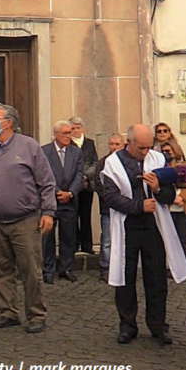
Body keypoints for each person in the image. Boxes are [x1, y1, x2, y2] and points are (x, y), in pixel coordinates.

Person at [0, 103, 55, 334]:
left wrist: (48, 212)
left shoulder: (29, 146)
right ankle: (8, 312)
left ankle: (36, 314)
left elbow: (46, 182)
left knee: (30, 270)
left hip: (24, 220)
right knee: (0, 270)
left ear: (8, 122)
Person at [100, 124, 186, 345]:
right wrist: (138, 206)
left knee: (156, 276)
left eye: (148, 147)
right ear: (129, 143)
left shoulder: (157, 159)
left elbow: (170, 193)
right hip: (127, 225)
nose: (145, 152)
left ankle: (158, 325)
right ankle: (127, 325)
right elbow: (109, 197)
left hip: (154, 225)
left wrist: (159, 189)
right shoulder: (111, 164)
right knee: (125, 277)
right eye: (141, 148)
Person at [41, 121, 83, 284]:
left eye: (69, 133)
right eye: (64, 133)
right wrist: (57, 191)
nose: (68, 136)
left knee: (68, 237)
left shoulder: (75, 152)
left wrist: (70, 193)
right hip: (50, 200)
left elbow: (79, 175)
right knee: (47, 238)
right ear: (56, 134)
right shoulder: (45, 151)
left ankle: (66, 268)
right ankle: (48, 269)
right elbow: (44, 174)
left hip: (69, 201)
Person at [96, 134, 125, 283]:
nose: (114, 147)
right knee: (107, 241)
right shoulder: (103, 163)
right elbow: (99, 185)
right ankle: (105, 269)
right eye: (112, 144)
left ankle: (122, 268)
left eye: (117, 144)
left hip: (126, 208)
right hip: (108, 208)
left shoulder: (127, 162)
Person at [70, 117, 98, 254]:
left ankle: (87, 245)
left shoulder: (89, 143)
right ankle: (74, 244)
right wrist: (77, 177)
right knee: (73, 215)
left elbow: (95, 162)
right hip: (72, 186)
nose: (76, 131)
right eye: (73, 128)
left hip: (88, 185)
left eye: (78, 128)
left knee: (86, 215)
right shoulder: (68, 143)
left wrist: (85, 175)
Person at [160, 140, 186, 263]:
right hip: (168, 207)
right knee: (168, 239)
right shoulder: (160, 168)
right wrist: (172, 198)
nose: (165, 154)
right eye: (163, 152)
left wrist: (182, 197)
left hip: (183, 208)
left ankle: (183, 265)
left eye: (168, 151)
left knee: (182, 239)